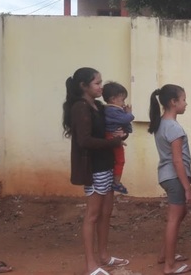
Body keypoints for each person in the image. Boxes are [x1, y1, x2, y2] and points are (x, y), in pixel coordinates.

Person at [62, 67, 129, 275]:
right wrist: (113, 143)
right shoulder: (80, 108)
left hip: (106, 165)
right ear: (84, 86)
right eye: (97, 83)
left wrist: (119, 134)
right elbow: (84, 141)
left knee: (106, 213)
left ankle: (104, 256)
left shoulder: (98, 106)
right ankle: (91, 264)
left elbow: (105, 133)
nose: (101, 87)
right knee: (92, 215)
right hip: (94, 168)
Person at [148, 84, 191, 275]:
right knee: (174, 219)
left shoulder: (162, 123)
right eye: (183, 99)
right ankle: (169, 266)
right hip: (174, 178)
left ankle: (164, 254)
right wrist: (187, 188)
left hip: (168, 176)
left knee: (180, 213)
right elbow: (177, 160)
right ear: (173, 102)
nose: (186, 103)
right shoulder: (174, 127)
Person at [102, 81, 135, 195]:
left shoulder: (110, 110)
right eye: (122, 100)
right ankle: (116, 182)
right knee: (120, 160)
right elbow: (124, 120)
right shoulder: (112, 110)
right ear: (113, 99)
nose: (124, 103)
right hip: (112, 138)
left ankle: (115, 181)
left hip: (112, 137)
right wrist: (129, 114)